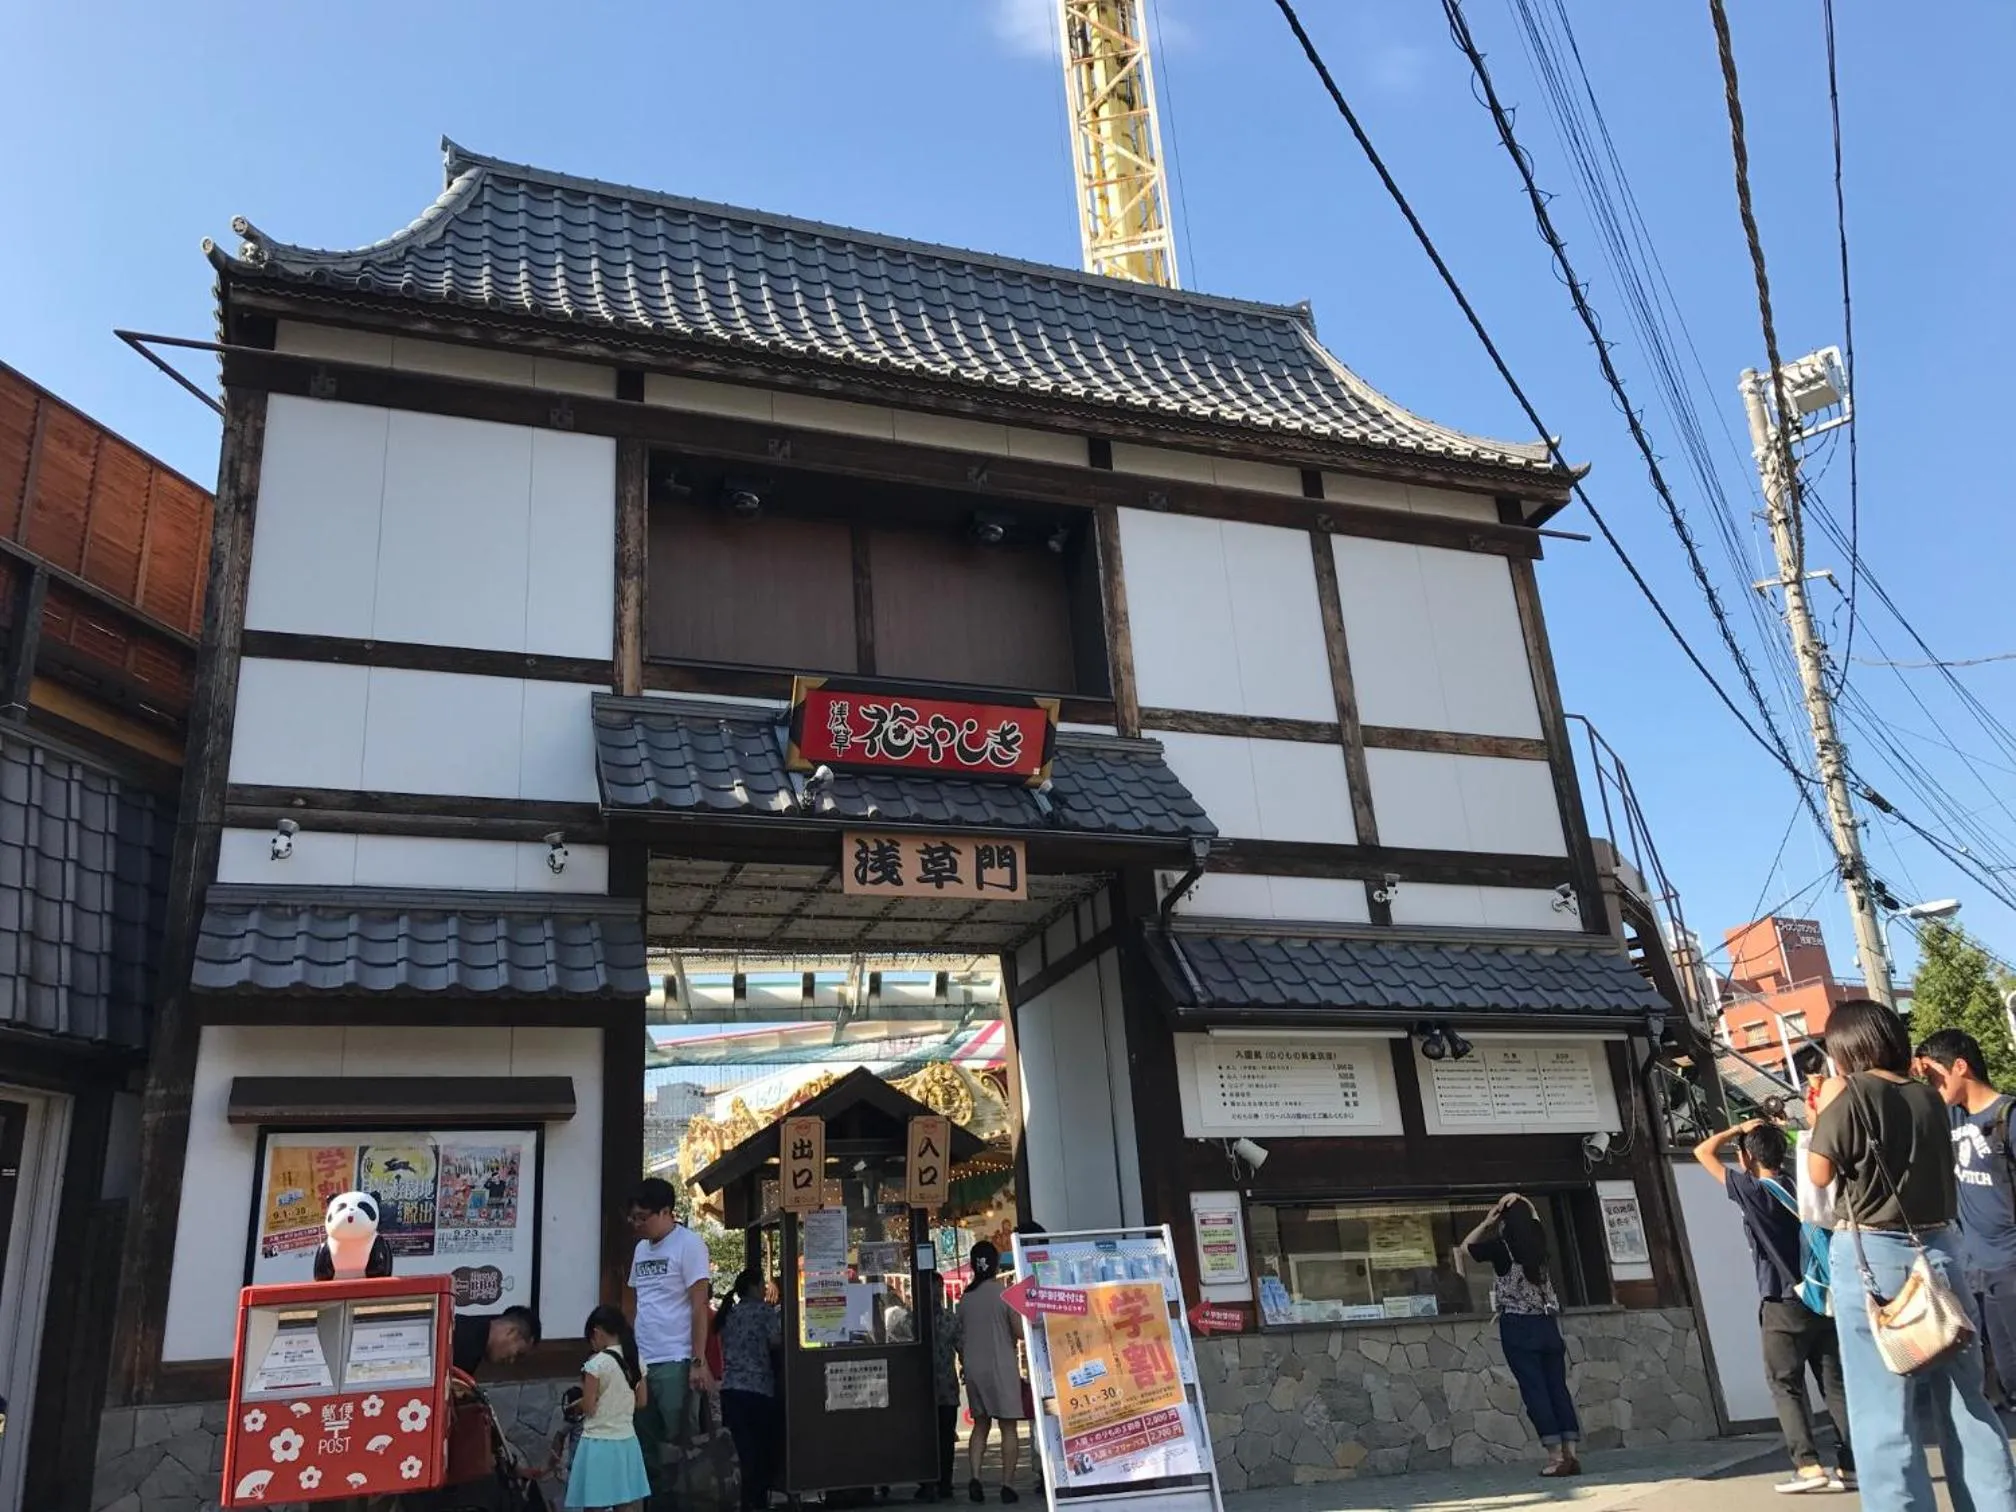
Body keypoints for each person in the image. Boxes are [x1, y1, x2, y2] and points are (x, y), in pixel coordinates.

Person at [1808, 999, 2016, 1511]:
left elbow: (1818, 1177)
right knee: (1966, 1400)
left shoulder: (1850, 1095)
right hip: (1940, 1252)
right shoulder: (1928, 1098)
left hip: (1871, 1258)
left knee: (1882, 1409)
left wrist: (1825, 1109)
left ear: (1846, 1049)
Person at [1693, 1118, 1854, 1492]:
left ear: (1748, 1156)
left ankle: (1808, 1465)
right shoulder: (1800, 1188)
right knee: (1834, 1385)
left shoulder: (1755, 1191)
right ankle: (1851, 1463)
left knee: (1785, 1383)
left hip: (1782, 1301)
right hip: (1822, 1297)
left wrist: (1736, 1130)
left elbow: (1702, 1152)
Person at [1917, 1027, 2016, 1403]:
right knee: (2008, 1377)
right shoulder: (1950, 1119)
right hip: (1976, 1271)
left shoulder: (2008, 1116)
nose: (1930, 1084)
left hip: (2011, 1263)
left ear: (1961, 1066)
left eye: (1935, 1076)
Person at [1457, 1193, 1580, 1477]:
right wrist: (1521, 1199)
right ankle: (1571, 1454)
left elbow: (1466, 1248)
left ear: (1504, 1223)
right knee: (1557, 1388)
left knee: (1535, 1390)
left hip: (1518, 1327)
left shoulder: (1502, 1248)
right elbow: (1534, 1217)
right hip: (1547, 1324)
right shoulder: (1539, 1242)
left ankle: (1554, 1457)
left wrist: (1487, 1221)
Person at [625, 1177, 715, 1490]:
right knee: (644, 1441)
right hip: (643, 1362)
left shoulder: (689, 1245)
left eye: (643, 1217)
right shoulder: (640, 1250)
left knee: (680, 1443)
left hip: (676, 1359)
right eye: (633, 1217)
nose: (638, 1224)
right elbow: (638, 1303)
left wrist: (698, 1359)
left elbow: (699, 1305)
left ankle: (685, 1500)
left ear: (666, 1212)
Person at [566, 1305, 653, 1512]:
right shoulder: (636, 1360)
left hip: (598, 1442)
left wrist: (576, 1406)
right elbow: (641, 1402)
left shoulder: (596, 1364)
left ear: (597, 1332)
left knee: (595, 1503)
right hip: (626, 1441)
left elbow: (589, 1407)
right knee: (625, 1502)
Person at [956, 1242, 1025, 1503]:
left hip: (974, 1368)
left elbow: (960, 1335)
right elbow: (1019, 1332)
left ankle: (975, 1476)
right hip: (1001, 1367)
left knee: (980, 1424)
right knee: (1008, 1426)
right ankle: (1007, 1485)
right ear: (996, 1264)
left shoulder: (966, 1298)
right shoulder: (1005, 1294)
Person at [717, 1267, 783, 1512]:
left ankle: (741, 1498)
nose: (766, 1288)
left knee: (739, 1448)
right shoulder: (764, 1313)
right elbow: (776, 1341)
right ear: (754, 1287)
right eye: (763, 1284)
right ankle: (757, 1498)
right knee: (760, 1448)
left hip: (731, 1388)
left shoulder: (729, 1314)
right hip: (758, 1389)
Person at [451, 1304, 543, 1377]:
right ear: (512, 1332)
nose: (511, 1361)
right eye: (518, 1353)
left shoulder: (466, 1325)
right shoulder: (466, 1348)